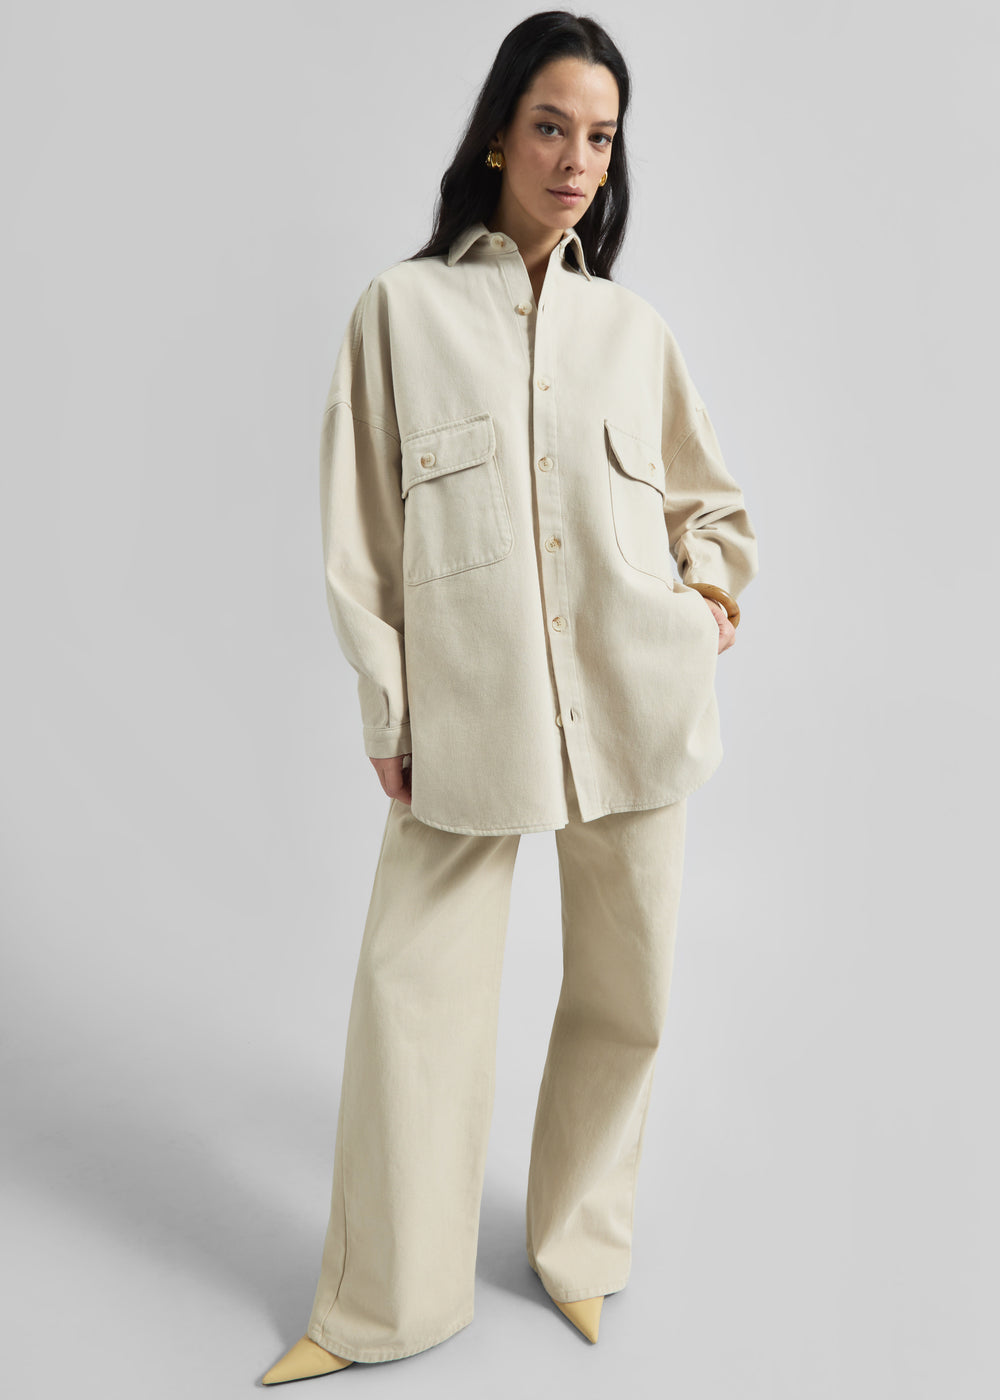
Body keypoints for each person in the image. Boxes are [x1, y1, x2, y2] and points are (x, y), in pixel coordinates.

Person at [262, 10, 759, 1384]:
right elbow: (362, 540)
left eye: (600, 137)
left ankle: (580, 1251)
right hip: (467, 723)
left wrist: (709, 599)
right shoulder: (400, 313)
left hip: (635, 706)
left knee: (625, 994)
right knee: (413, 1004)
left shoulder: (633, 331)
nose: (577, 160)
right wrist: (389, 711)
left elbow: (713, 506)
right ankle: (382, 1305)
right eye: (551, 127)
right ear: (497, 133)